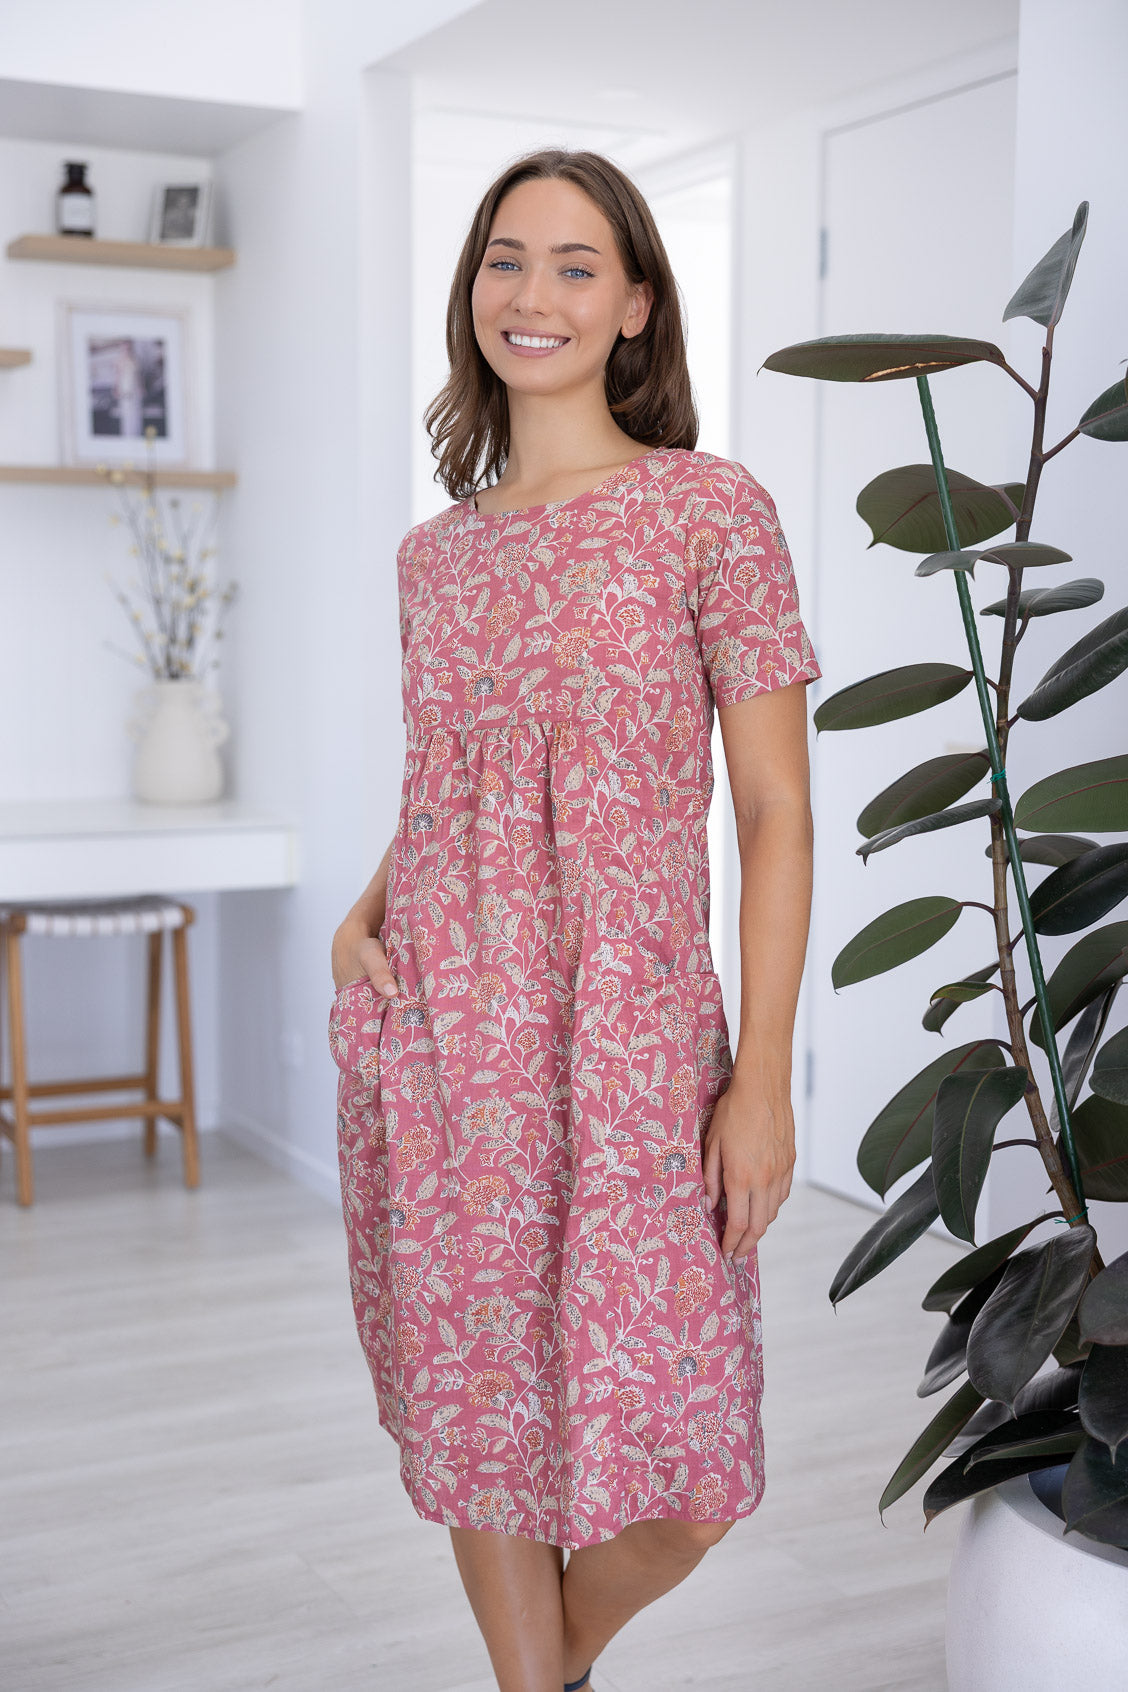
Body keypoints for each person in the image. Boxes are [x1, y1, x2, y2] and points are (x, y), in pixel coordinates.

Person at [329, 148, 820, 1692]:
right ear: (472, 288)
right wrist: (365, 916)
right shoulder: (438, 558)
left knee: (685, 1489)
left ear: (634, 307)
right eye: (504, 259)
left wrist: (763, 1080)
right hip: (451, 1038)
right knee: (487, 1416)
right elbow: (453, 796)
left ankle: (545, 1669)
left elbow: (774, 812)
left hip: (633, 1049)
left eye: (573, 264)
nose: (531, 294)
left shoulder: (707, 513)